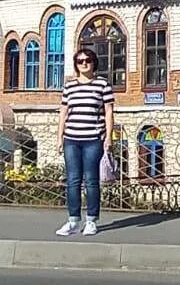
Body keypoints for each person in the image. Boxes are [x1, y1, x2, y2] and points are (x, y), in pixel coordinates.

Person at [55, 47, 114, 236]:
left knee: (91, 180)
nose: (84, 63)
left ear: (94, 62)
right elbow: (63, 112)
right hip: (71, 139)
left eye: (87, 60)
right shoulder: (69, 86)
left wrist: (109, 137)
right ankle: (73, 221)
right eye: (80, 61)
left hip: (93, 139)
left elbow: (109, 111)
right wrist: (59, 137)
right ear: (76, 65)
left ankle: (91, 220)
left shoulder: (102, 84)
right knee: (72, 180)